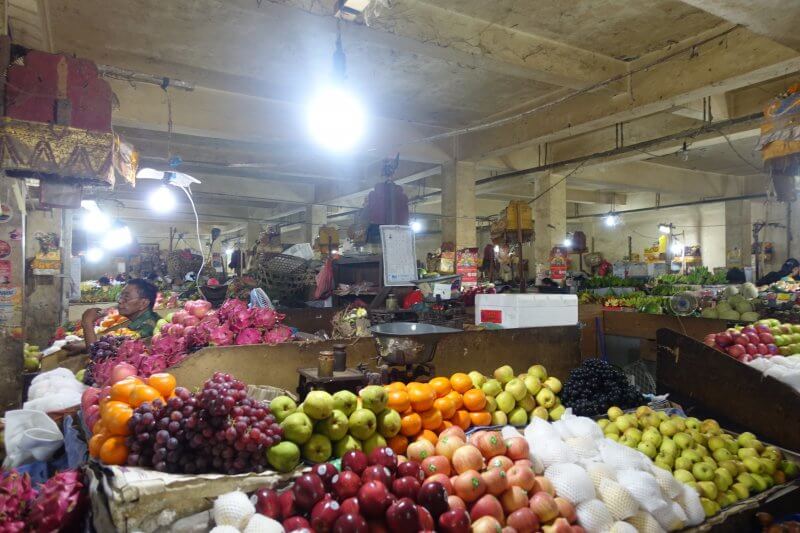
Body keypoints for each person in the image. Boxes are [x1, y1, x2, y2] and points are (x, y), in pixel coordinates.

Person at [65, 279, 160, 354]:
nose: (120, 301)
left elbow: (97, 356)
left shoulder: (147, 327)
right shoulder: (144, 320)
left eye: (126, 297)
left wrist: (87, 323)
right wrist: (85, 346)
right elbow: (118, 346)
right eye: (121, 296)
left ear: (143, 303)